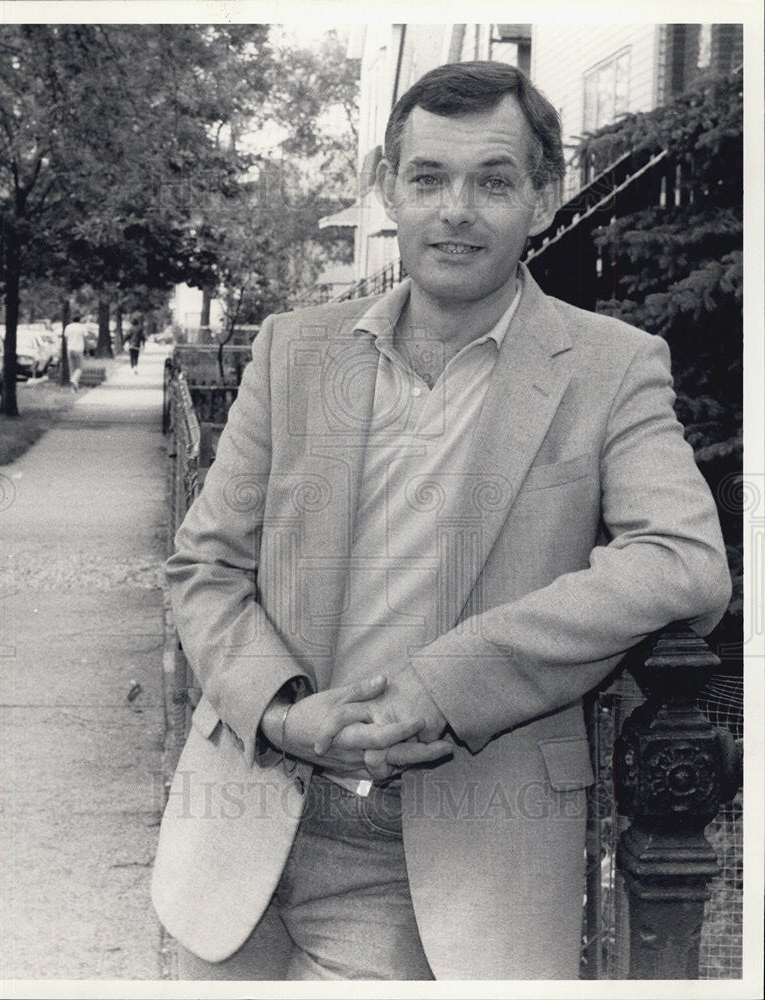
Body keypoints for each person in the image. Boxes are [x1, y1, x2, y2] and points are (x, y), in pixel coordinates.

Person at [151, 61, 731, 980]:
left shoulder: (610, 368)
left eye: (492, 181)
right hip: (243, 827)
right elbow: (205, 567)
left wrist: (448, 682)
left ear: (543, 198)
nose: (455, 209)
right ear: (389, 189)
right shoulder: (292, 350)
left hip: (446, 850)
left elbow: (683, 563)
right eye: (427, 178)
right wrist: (281, 709)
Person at [64, 314, 87, 391]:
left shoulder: (68, 327)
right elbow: (85, 339)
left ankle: (73, 389)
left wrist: (68, 345)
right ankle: (74, 380)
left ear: (72, 319)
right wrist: (86, 349)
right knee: (80, 367)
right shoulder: (82, 327)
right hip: (79, 349)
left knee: (72, 368)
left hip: (70, 348)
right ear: (79, 320)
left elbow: (66, 339)